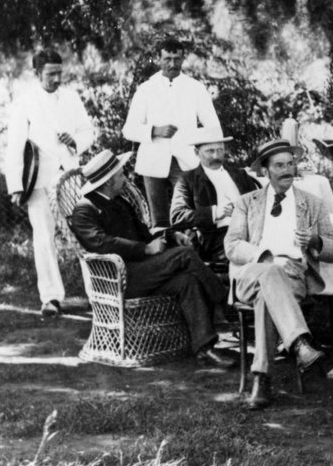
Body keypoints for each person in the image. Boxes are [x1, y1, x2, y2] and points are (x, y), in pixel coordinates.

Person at [68, 149, 233, 370]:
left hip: (145, 272)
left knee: (187, 281)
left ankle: (205, 348)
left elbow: (145, 234)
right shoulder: (85, 209)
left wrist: (170, 235)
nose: (125, 179)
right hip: (120, 278)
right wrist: (145, 249)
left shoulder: (120, 202)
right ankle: (227, 304)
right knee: (184, 256)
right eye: (120, 175)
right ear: (108, 182)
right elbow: (100, 243)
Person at [226, 139, 333, 410]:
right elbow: (231, 246)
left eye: (291, 163)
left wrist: (314, 240)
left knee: (268, 295)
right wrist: (266, 257)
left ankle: (261, 379)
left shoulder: (312, 203)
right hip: (251, 274)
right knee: (270, 273)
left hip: (293, 278)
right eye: (279, 165)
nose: (287, 170)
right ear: (266, 171)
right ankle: (299, 341)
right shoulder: (247, 202)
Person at [5, 49, 97, 317]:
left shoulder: (71, 98)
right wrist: (16, 186)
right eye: (50, 74)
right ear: (37, 73)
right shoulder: (24, 102)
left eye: (60, 73)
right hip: (38, 180)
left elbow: (88, 130)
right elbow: (15, 146)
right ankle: (51, 298)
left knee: (84, 233)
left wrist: (77, 141)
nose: (57, 79)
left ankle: (97, 294)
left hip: (70, 176)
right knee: (44, 237)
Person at [122, 38, 220, 228]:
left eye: (177, 59)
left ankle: (190, 253)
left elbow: (213, 127)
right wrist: (155, 131)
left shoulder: (195, 88)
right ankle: (164, 255)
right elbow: (129, 129)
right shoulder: (146, 89)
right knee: (159, 219)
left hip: (185, 161)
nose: (172, 64)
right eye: (167, 59)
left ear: (183, 59)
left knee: (188, 213)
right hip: (153, 160)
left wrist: (202, 148)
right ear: (158, 59)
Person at [170, 127, 261, 265]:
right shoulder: (188, 180)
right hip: (218, 240)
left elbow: (260, 203)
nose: (216, 156)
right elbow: (177, 216)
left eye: (220, 150)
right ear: (196, 152)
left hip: (252, 232)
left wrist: (242, 210)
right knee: (261, 258)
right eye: (210, 151)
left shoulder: (240, 174)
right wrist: (216, 213)